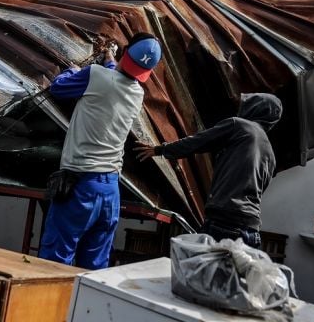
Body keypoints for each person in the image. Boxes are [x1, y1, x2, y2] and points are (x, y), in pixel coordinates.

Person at [38, 33, 162, 269]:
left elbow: (59, 88)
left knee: (54, 264)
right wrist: (109, 60)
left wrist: (73, 71)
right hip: (110, 191)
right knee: (94, 270)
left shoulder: (94, 75)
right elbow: (117, 77)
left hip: (80, 185)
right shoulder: (137, 93)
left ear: (125, 51)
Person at [134, 93, 282, 249]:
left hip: (224, 222)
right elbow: (261, 189)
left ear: (254, 108)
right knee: (230, 273)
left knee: (204, 270)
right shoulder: (270, 154)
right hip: (252, 229)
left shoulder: (239, 126)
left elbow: (198, 142)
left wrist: (160, 150)